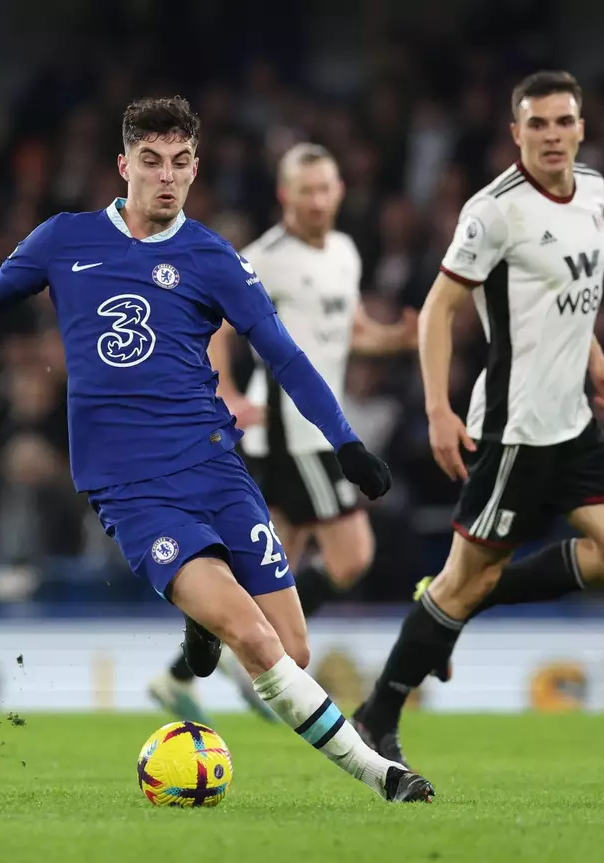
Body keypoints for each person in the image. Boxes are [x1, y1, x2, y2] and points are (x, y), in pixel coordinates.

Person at [0, 97, 434, 803]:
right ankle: (383, 776)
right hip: (134, 488)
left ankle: (201, 625)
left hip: (218, 469)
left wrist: (345, 442)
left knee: (292, 648)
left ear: (196, 169)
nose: (167, 176)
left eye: (181, 162)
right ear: (124, 164)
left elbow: (282, 354)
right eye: (152, 162)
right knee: (255, 640)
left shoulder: (212, 258)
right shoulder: (66, 240)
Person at [352, 71, 604, 767]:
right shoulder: (494, 212)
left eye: (563, 121)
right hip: (514, 431)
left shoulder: (596, 191)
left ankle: (457, 606)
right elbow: (438, 312)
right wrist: (436, 408)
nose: (552, 135)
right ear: (515, 133)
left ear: (581, 127)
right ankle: (378, 711)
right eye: (537, 124)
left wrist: (596, 358)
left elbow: (573, 289)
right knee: (464, 580)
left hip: (572, 421)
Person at [148, 143, 418, 724]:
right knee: (351, 556)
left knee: (273, 571)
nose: (318, 201)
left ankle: (184, 674)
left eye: (326, 189)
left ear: (339, 191)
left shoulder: (344, 252)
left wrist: (394, 339)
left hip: (312, 434)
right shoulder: (263, 257)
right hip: (295, 435)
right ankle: (263, 668)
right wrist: (226, 392)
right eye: (306, 191)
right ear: (285, 195)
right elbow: (211, 320)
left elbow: (348, 332)